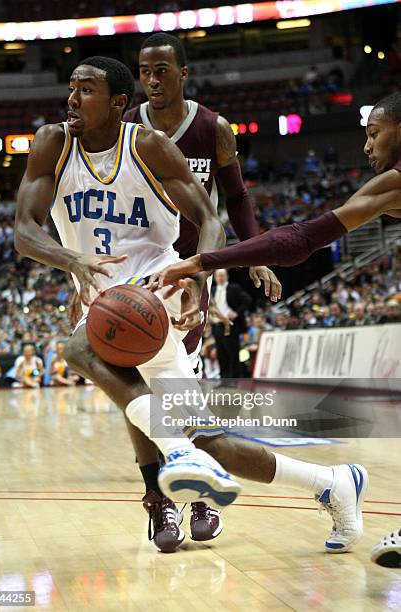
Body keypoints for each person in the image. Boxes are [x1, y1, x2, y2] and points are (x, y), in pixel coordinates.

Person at [15, 55, 368, 558]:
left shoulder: (150, 147)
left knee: (82, 351)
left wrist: (198, 274)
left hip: (155, 289)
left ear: (119, 103)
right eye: (71, 87)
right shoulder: (53, 142)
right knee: (210, 442)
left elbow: (209, 218)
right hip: (103, 295)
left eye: (86, 90)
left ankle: (172, 459)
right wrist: (72, 261)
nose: (72, 99)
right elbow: (24, 233)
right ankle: (332, 481)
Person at [122, 32, 280, 548]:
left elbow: (235, 197)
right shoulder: (127, 129)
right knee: (143, 395)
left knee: (178, 395)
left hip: (190, 273)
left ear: (183, 74)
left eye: (162, 70)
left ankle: (200, 493)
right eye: (145, 71)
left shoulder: (214, 128)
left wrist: (254, 255)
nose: (152, 79)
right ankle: (160, 500)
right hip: (136, 272)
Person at [145, 92, 401, 287]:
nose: (366, 147)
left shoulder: (394, 182)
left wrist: (198, 261)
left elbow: (300, 239)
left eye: (374, 134)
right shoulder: (389, 185)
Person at [211, 268, 251, 379]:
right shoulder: (212, 289)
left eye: (222, 275)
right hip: (217, 325)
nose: (220, 277)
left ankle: (235, 379)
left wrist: (236, 313)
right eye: (218, 275)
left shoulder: (234, 288)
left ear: (227, 276)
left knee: (233, 352)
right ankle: (223, 378)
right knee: (221, 353)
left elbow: (247, 300)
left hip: (231, 325)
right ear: (215, 277)